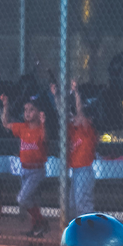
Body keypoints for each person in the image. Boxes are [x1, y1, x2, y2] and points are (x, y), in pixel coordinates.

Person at [1, 93, 50, 237]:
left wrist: (44, 123)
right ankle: (37, 228)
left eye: (31, 110)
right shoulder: (23, 127)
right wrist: (5, 106)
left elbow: (45, 140)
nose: (27, 113)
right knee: (31, 200)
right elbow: (5, 123)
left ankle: (41, 222)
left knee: (22, 199)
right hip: (24, 169)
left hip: (36, 170)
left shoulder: (41, 129)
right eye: (26, 110)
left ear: (39, 112)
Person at [51, 80, 99, 219]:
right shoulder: (72, 129)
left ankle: (88, 232)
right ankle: (77, 231)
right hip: (75, 172)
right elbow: (62, 112)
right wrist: (56, 95)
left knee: (82, 204)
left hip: (85, 170)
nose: (76, 117)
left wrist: (76, 93)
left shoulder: (88, 130)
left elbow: (80, 112)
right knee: (72, 205)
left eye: (80, 117)